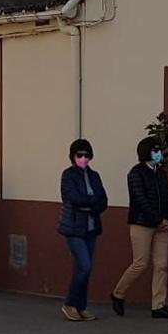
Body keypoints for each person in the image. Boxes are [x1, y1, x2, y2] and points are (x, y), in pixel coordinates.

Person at [110, 136, 168, 319]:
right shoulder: (136, 173)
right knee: (140, 263)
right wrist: (157, 219)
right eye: (156, 151)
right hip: (142, 224)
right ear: (147, 153)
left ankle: (158, 305)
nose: (159, 154)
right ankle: (118, 293)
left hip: (162, 225)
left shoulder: (161, 173)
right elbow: (140, 200)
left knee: (161, 265)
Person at [56, 138, 107, 322]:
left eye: (86, 155)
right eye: (80, 155)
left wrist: (91, 205)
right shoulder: (68, 175)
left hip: (91, 227)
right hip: (74, 227)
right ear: (73, 156)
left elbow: (103, 200)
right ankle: (70, 303)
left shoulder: (94, 176)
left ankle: (81, 306)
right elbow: (74, 198)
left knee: (85, 268)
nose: (83, 158)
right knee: (84, 265)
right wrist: (91, 201)